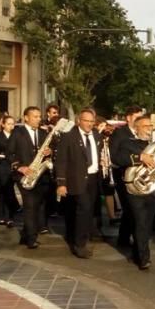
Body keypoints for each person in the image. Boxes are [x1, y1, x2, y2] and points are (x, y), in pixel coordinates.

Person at [112, 114, 155, 269]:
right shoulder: (128, 143)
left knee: (146, 224)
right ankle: (144, 258)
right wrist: (140, 157)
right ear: (137, 128)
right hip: (135, 190)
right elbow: (118, 158)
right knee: (140, 222)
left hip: (153, 189)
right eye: (146, 126)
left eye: (151, 126)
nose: (149, 129)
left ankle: (137, 253)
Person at [55, 108, 103, 259]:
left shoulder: (96, 135)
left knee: (81, 210)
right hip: (76, 178)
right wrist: (61, 183)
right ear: (78, 121)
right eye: (86, 121)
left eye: (91, 121)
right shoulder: (69, 136)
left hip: (93, 177)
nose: (89, 124)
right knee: (84, 208)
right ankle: (80, 245)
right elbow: (61, 161)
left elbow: (96, 152)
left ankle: (74, 236)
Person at [8, 106, 51, 249]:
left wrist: (48, 152)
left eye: (39, 116)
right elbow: (10, 153)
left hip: (41, 175)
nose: (39, 119)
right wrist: (19, 167)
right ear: (26, 117)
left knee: (37, 206)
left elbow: (50, 153)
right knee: (30, 206)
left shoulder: (43, 133)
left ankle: (26, 235)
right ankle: (31, 238)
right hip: (24, 175)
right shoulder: (17, 133)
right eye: (35, 116)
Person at [110, 106, 144, 247]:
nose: (139, 121)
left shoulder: (142, 132)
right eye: (137, 117)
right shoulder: (120, 133)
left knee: (131, 209)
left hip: (139, 177)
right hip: (123, 175)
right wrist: (138, 158)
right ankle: (129, 240)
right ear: (129, 118)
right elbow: (115, 156)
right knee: (130, 208)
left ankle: (123, 238)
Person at [0, 114, 19, 227]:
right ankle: (2, 216)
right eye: (8, 124)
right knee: (2, 193)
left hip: (13, 167)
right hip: (1, 167)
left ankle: (8, 216)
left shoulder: (16, 136)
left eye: (13, 124)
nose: (11, 126)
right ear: (3, 125)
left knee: (9, 191)